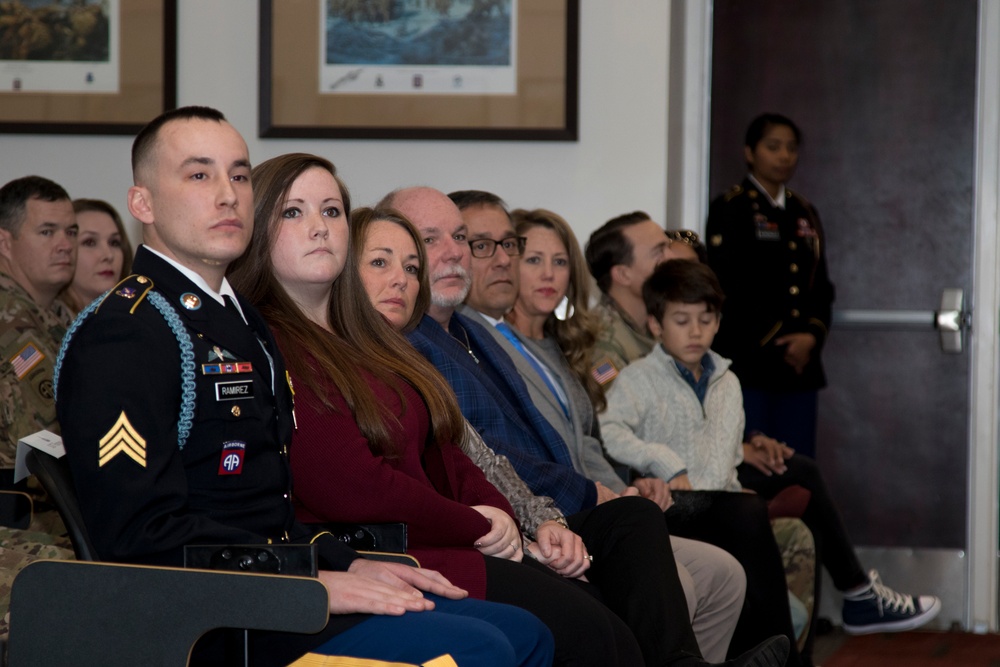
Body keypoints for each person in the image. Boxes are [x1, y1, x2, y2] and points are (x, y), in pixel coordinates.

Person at [55, 108, 555, 667]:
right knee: (481, 648)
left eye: (239, 176)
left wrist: (342, 562)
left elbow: (270, 507)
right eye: (199, 175)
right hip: (213, 619)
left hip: (276, 591)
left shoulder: (242, 322)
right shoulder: (127, 330)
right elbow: (139, 534)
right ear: (143, 203)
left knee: (527, 634)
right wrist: (307, 579)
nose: (227, 196)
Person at [230, 153, 638, 666]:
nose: (319, 229)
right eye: (295, 213)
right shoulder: (273, 341)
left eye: (331, 211)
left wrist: (509, 518)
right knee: (579, 634)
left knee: (599, 617)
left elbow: (452, 454)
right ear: (257, 227)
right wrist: (475, 522)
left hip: (438, 537)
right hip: (391, 546)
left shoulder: (365, 342)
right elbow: (355, 486)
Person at [383, 186, 789, 667]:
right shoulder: (410, 342)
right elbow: (482, 458)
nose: (456, 253)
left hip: (548, 504)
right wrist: (576, 503)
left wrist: (599, 494)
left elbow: (567, 441)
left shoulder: (477, 333)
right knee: (691, 534)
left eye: (460, 238)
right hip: (508, 519)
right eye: (433, 241)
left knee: (714, 565)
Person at [600, 259, 942, 637]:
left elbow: (724, 457)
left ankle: (794, 642)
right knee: (748, 512)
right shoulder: (638, 379)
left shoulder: (727, 381)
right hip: (673, 503)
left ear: (718, 321)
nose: (695, 331)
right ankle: (793, 641)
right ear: (655, 325)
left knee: (756, 509)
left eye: (706, 320)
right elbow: (608, 428)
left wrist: (725, 492)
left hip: (719, 500)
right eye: (682, 321)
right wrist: (662, 461)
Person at [705, 113, 835, 459]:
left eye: (792, 148)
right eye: (773, 147)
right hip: (753, 363)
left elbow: (820, 287)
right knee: (756, 467)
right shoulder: (731, 208)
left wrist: (811, 336)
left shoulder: (804, 211)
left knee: (797, 466)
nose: (784, 156)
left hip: (799, 369)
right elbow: (726, 287)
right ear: (750, 152)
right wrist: (779, 339)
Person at [0, 176, 77, 467]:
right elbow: (47, 437)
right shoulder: (10, 320)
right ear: (5, 243)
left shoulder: (56, 313)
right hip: (27, 506)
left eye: (71, 232)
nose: (65, 245)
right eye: (47, 232)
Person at [585, 211, 682, 389]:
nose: (673, 257)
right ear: (623, 274)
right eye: (659, 252)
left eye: (668, 247)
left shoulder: (655, 326)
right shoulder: (604, 348)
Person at [60, 198, 133, 314]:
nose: (108, 255)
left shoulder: (139, 319)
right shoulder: (41, 324)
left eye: (114, 243)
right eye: (89, 242)